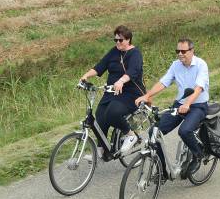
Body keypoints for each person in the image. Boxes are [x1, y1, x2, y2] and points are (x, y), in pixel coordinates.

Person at [135, 38, 210, 179]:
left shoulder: (201, 65)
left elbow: (198, 88)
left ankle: (198, 154)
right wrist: (147, 95)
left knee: (185, 130)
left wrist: (187, 104)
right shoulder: (176, 65)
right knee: (154, 131)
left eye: (183, 51)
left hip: (197, 106)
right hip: (179, 105)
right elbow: (164, 82)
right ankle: (163, 170)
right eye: (178, 51)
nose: (180, 54)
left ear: (192, 51)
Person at [78, 25, 145, 156]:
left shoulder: (135, 53)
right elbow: (100, 66)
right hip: (112, 92)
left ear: (128, 39)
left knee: (112, 113)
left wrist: (121, 81)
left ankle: (130, 135)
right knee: (100, 117)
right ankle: (102, 150)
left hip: (130, 93)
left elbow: (133, 71)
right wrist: (85, 76)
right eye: (116, 40)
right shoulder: (114, 51)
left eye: (120, 40)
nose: (118, 43)